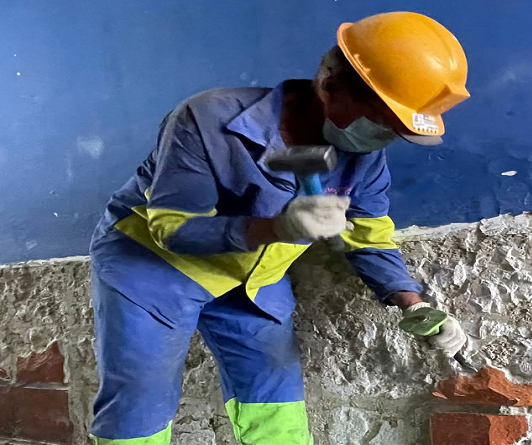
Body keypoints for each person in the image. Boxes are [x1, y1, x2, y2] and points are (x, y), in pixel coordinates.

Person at [88, 11, 471, 444]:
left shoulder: (364, 158)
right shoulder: (209, 119)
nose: (384, 137)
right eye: (382, 121)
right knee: (141, 393)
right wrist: (275, 228)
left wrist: (411, 303)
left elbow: (368, 237)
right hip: (155, 268)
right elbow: (174, 228)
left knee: (274, 397)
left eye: (396, 131)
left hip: (256, 278)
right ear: (330, 84)